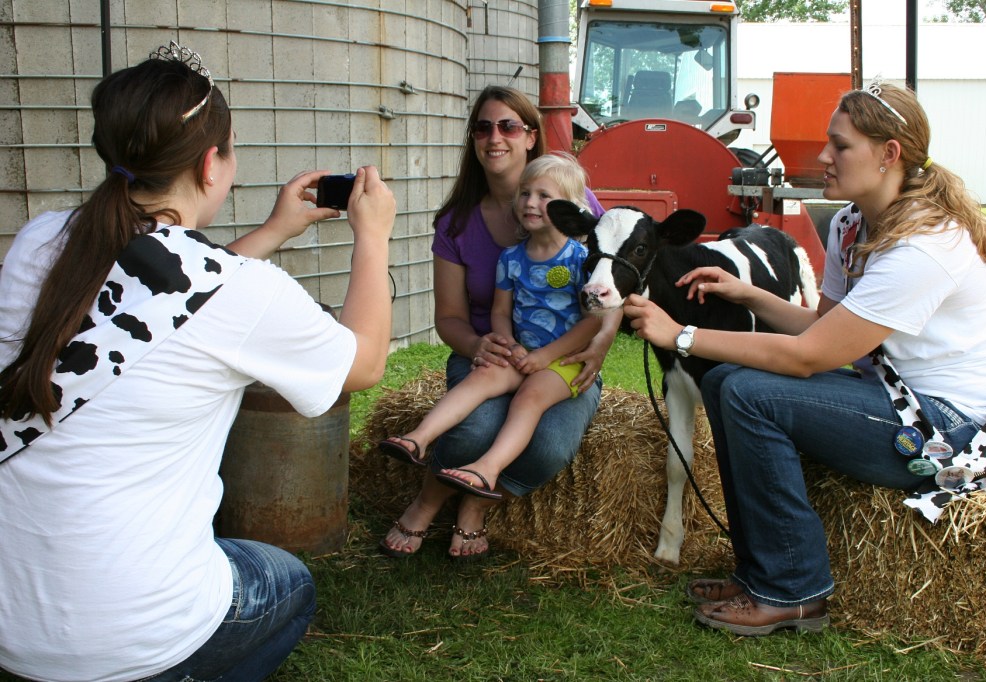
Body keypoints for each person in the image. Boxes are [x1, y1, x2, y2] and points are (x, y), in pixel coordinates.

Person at [0, 42, 395, 681]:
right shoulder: (241, 292)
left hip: (14, 626)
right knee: (287, 580)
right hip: (124, 638)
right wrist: (372, 236)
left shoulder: (40, 239)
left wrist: (271, 233)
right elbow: (365, 363)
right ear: (213, 163)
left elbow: (159, 298)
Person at [622, 83, 986, 635]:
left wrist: (681, 335)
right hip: (891, 395)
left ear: (889, 154)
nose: (823, 157)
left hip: (944, 423)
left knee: (747, 391)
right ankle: (761, 572)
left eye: (840, 146)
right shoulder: (855, 224)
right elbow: (825, 327)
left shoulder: (923, 247)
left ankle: (794, 589)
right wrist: (748, 293)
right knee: (728, 381)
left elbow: (808, 356)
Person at [378, 86, 621, 561]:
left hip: (564, 357)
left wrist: (599, 345)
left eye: (509, 125)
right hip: (495, 351)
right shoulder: (458, 223)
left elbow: (611, 293)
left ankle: (475, 505)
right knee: (473, 429)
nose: (495, 137)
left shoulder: (579, 208)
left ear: (531, 136)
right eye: (484, 127)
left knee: (549, 447)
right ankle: (425, 495)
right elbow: (448, 318)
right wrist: (482, 346)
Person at [379, 153, 602, 500]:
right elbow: (500, 311)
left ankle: (488, 469)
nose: (530, 202)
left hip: (564, 360)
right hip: (523, 352)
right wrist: (509, 343)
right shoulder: (512, 258)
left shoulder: (581, 260)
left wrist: (545, 357)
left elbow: (592, 323)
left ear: (570, 208)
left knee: (529, 398)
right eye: (525, 193)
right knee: (483, 376)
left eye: (544, 196)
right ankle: (418, 439)